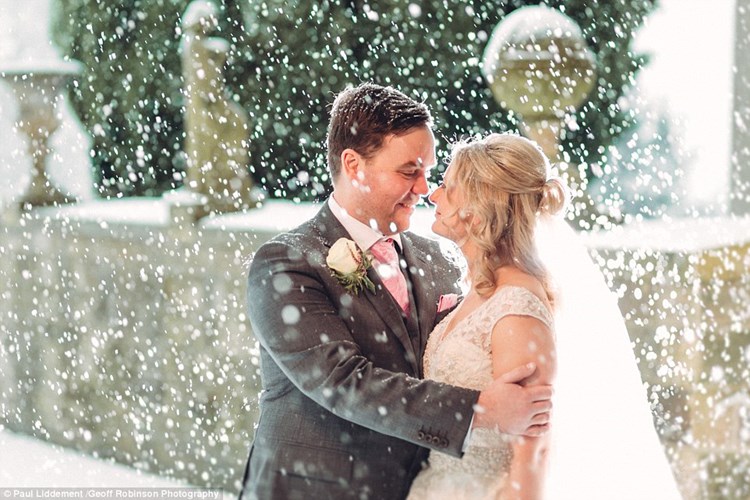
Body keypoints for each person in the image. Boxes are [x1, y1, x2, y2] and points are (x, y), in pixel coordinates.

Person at [238, 84, 553, 500]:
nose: (424, 188)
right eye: (409, 172)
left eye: (428, 172)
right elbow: (343, 381)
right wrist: (480, 410)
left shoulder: (441, 260)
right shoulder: (286, 263)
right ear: (354, 165)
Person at [407, 133, 682, 499]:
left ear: (478, 205)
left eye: (448, 187)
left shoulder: (516, 307)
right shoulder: (483, 288)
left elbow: (533, 452)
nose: (434, 196)